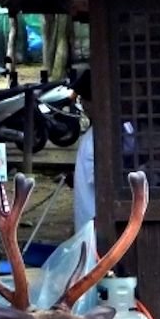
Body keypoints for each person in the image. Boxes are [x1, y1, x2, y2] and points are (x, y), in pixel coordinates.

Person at [71, 69, 95, 232]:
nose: (83, 105)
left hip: (94, 222)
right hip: (89, 223)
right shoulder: (94, 135)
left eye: (84, 99)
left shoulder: (98, 139)